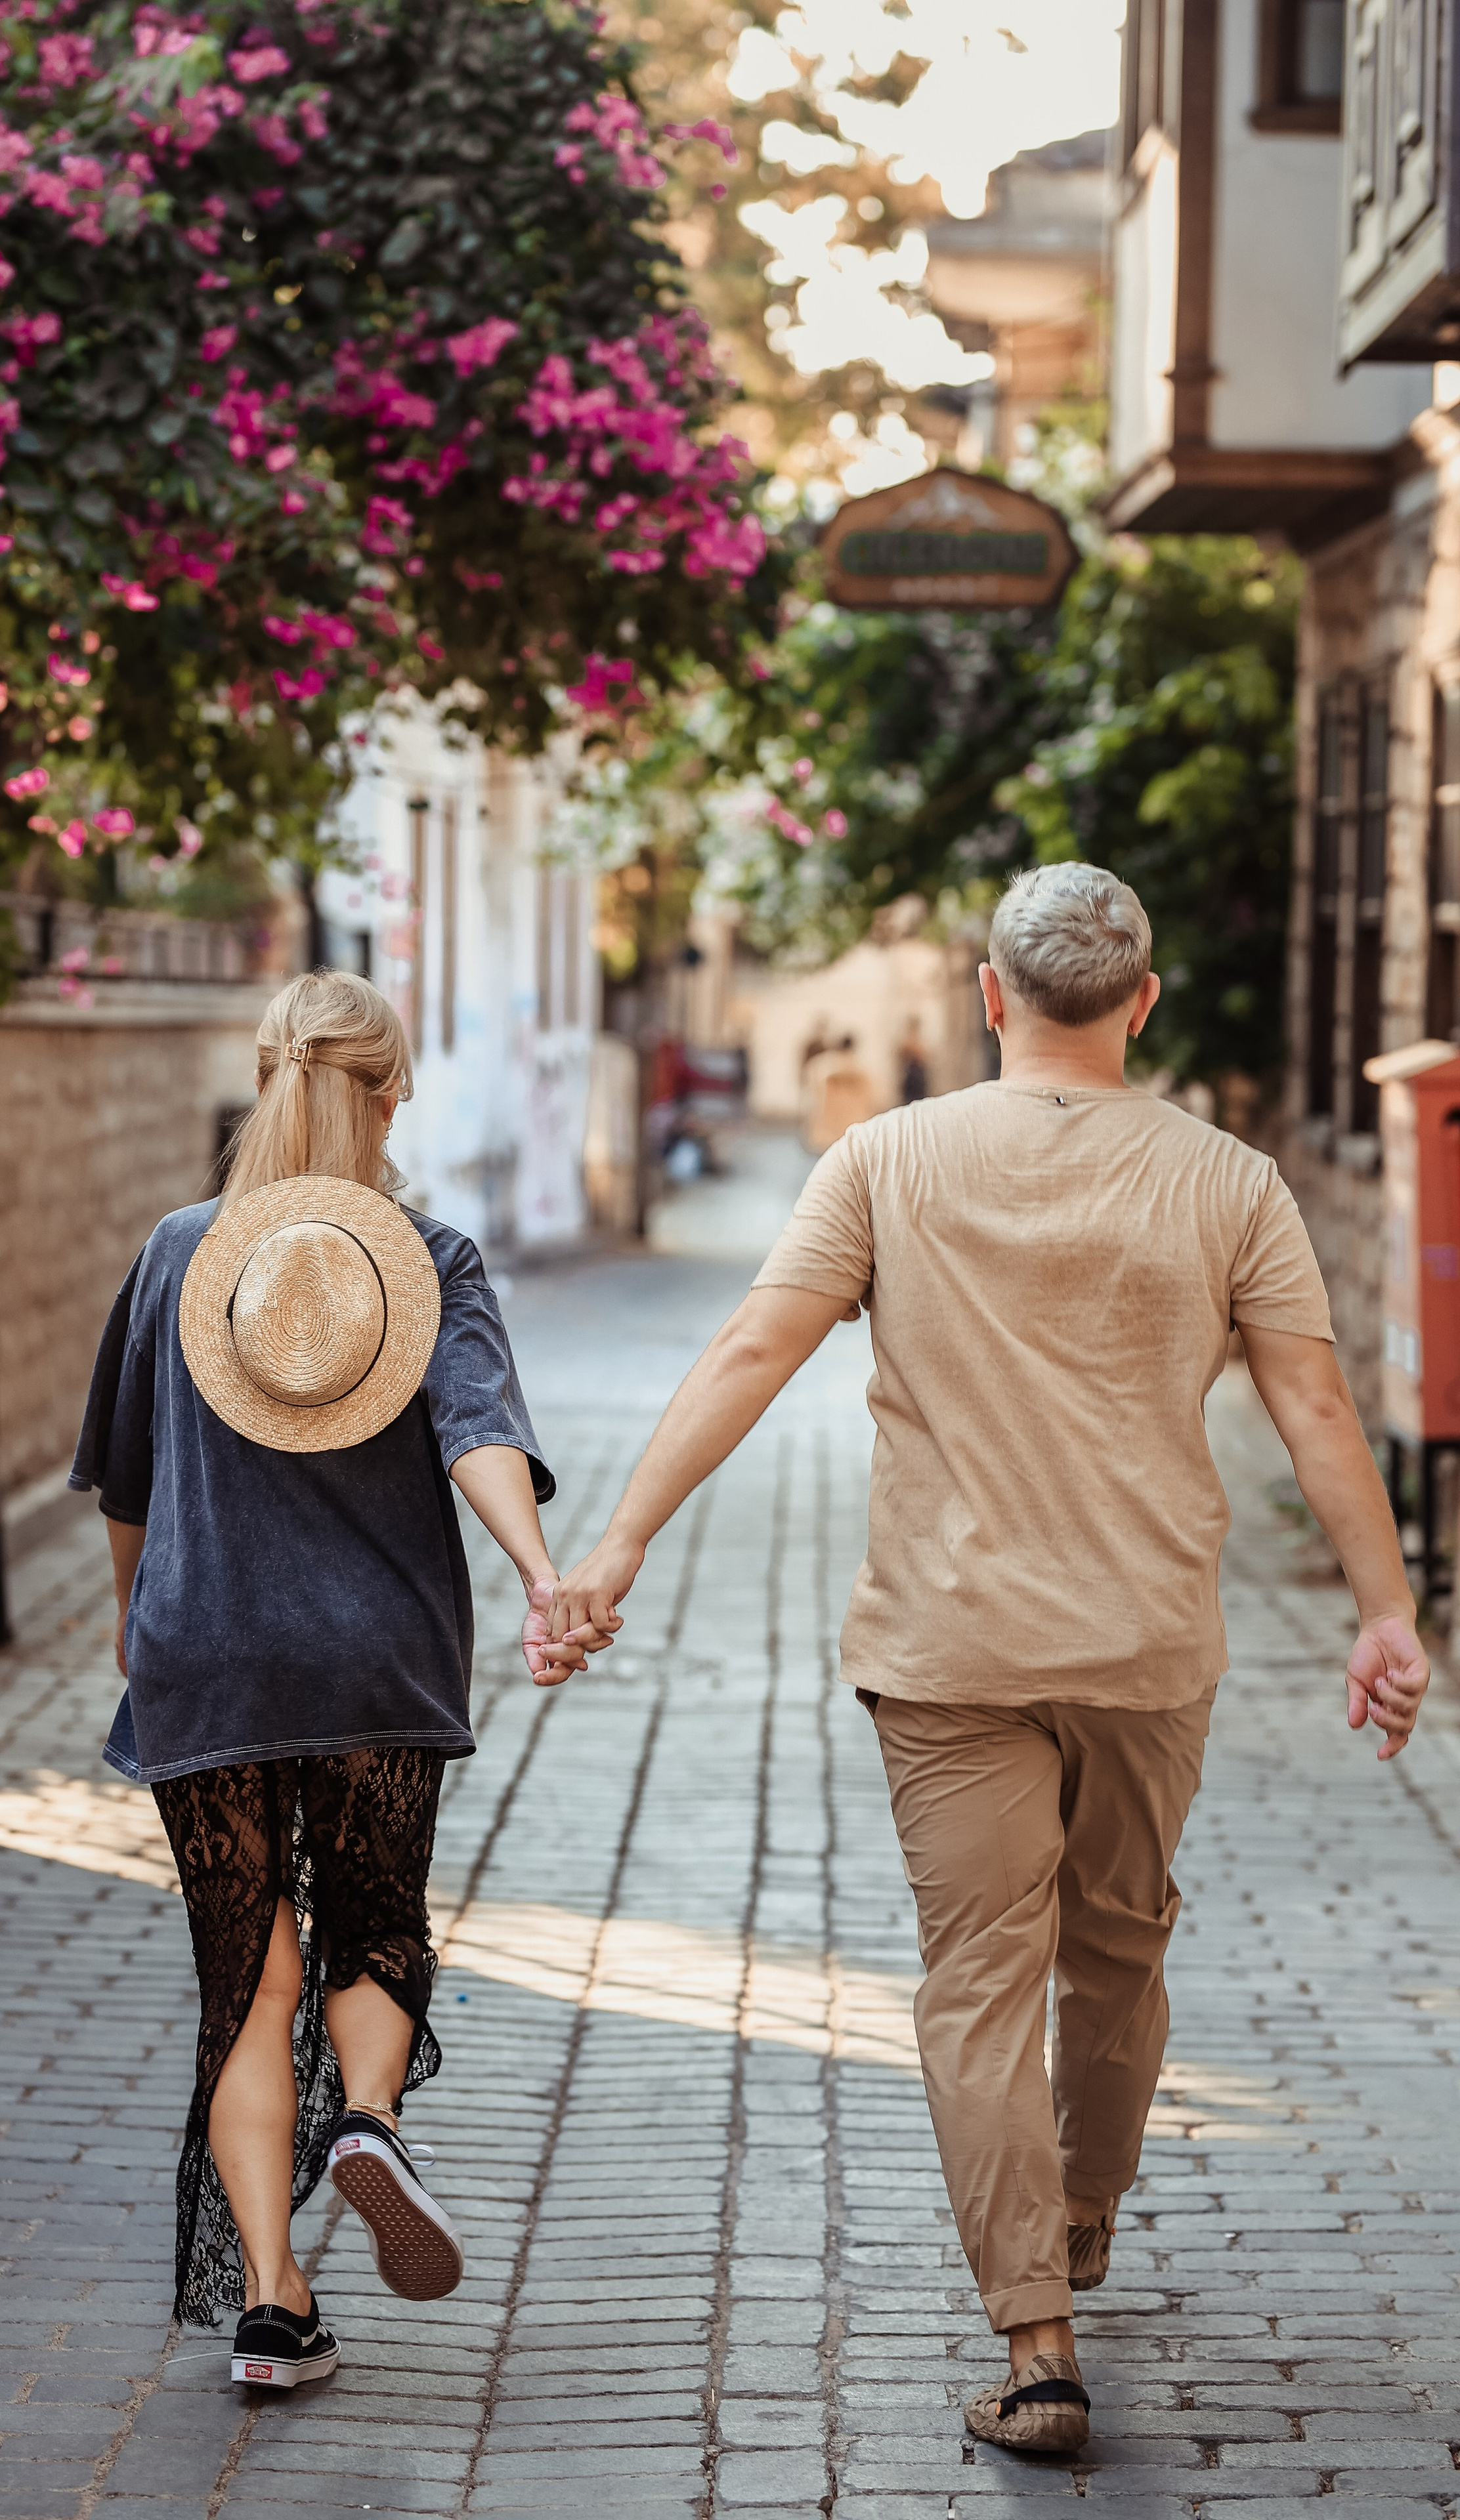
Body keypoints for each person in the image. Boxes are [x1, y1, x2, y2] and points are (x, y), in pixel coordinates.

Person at [548, 864, 1428, 2457]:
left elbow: (754, 1348)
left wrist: (614, 1552)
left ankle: (1035, 2337)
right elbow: (1309, 1406)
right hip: (1147, 1649)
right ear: (1141, 1003)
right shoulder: (1229, 1182)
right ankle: (1075, 2218)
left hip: (947, 1652)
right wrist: (1382, 1612)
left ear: (986, 994)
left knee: (975, 1983)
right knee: (1119, 1948)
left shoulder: (882, 1161)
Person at [70, 970, 579, 2391]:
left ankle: (273, 2309)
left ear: (262, 1075)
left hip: (205, 1653)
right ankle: (364, 2118)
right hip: (376, 1653)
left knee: (244, 1979)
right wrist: (544, 1579)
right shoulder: (428, 1263)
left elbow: (124, 1481)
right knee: (374, 1920)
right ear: (391, 1094)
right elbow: (476, 1435)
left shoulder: (178, 1252)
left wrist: (135, 1619)